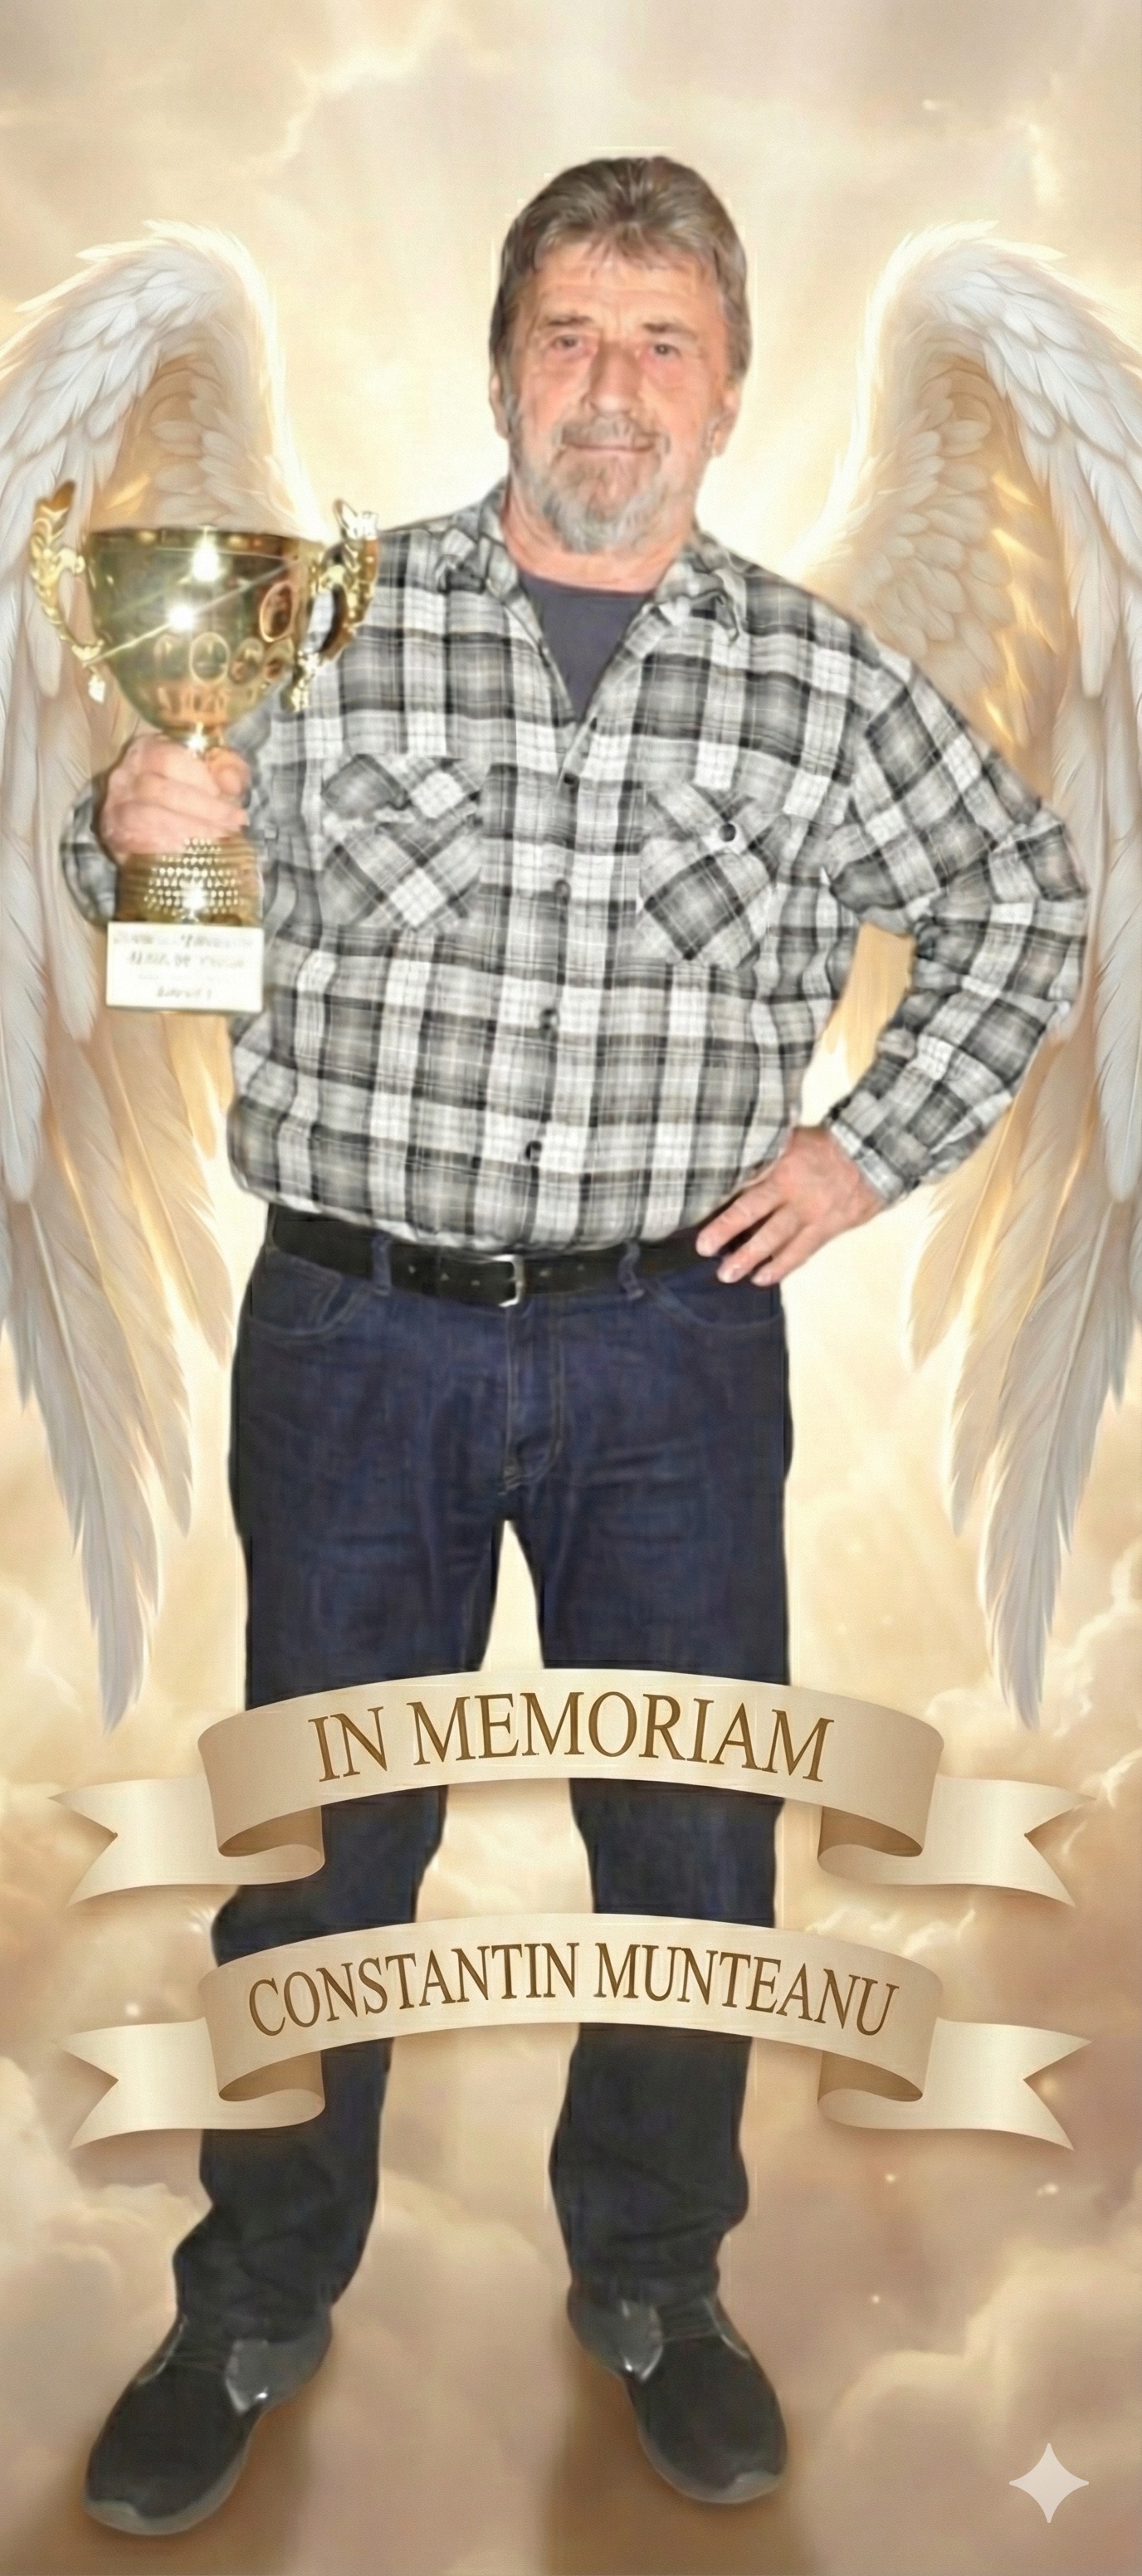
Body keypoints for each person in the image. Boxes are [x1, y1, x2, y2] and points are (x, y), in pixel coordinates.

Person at [60, 157, 1087, 2535]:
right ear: (501, 364)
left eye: (662, 345)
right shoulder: (315, 625)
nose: (610, 389)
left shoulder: (819, 680)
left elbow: (1026, 901)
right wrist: (143, 829)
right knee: (323, 1847)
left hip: (670, 1359)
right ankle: (252, 2298)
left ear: (728, 393)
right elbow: (184, 954)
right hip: (357, 1341)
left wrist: (867, 1148)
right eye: (570, 336)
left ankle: (653, 2281)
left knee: (690, 1840)